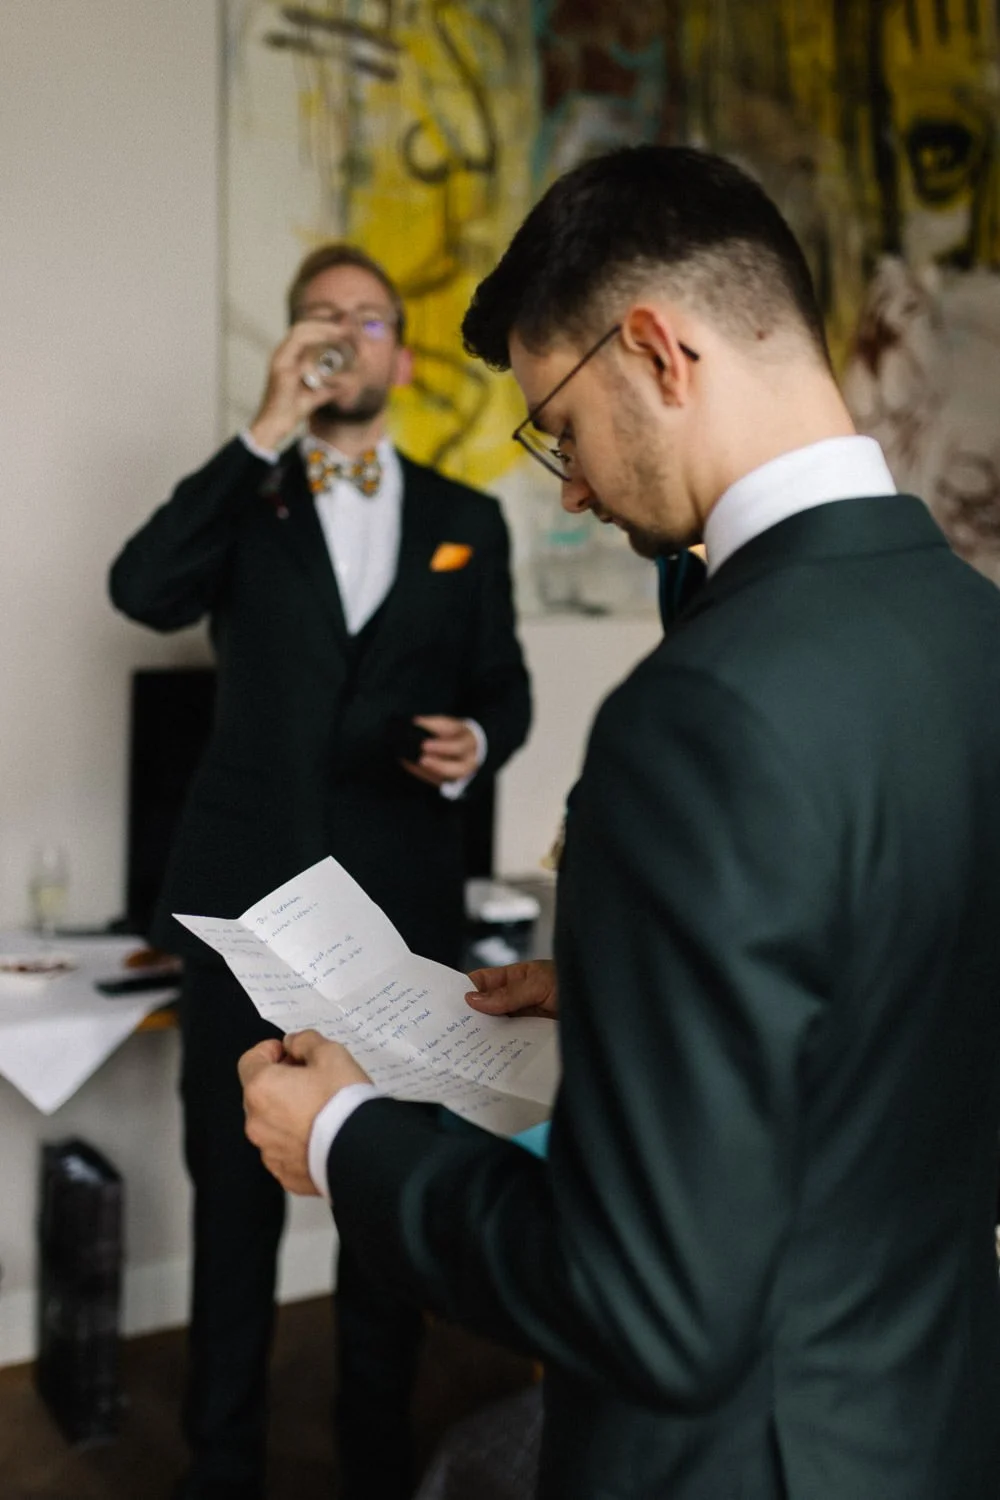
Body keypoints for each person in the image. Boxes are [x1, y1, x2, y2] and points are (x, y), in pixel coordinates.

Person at [238, 146, 1000, 1500]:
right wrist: (617, 997)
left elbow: (650, 1300)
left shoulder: (700, 711)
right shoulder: (972, 629)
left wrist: (349, 1139)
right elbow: (899, 1012)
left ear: (657, 349)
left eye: (562, 432)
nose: (573, 490)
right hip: (924, 1419)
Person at [108, 243, 531, 1500]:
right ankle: (221, 1468)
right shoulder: (249, 501)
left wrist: (479, 745)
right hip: (243, 905)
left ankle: (375, 1459)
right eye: (319, 319)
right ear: (296, 347)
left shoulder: (468, 518)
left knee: (385, 1185)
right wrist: (263, 431)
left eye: (368, 318)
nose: (346, 334)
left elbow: (500, 686)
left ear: (400, 352)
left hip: (400, 905)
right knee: (233, 1198)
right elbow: (139, 589)